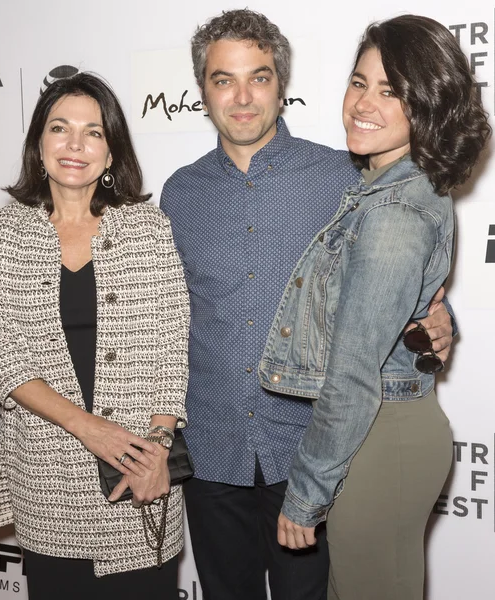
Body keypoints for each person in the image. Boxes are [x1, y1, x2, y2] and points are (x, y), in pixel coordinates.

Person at [160, 9, 455, 600]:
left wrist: (434, 324)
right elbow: (167, 320)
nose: (242, 97)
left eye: (259, 77)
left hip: (311, 454)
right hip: (214, 451)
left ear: (281, 83)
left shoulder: (342, 178)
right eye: (224, 79)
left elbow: (387, 292)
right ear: (202, 90)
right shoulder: (179, 193)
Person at [260, 15, 491, 600]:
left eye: (391, 91)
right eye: (359, 82)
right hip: (382, 435)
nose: (364, 102)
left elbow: (354, 375)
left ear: (428, 105)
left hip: (380, 438)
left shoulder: (393, 214)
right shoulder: (390, 187)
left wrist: (305, 494)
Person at [0, 72, 190, 599]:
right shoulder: (2, 233)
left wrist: (157, 452)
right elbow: (3, 355)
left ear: (111, 152)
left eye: (93, 132)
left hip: (139, 476)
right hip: (49, 477)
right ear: (38, 143)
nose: (75, 145)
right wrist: (93, 430)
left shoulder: (148, 229)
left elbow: (170, 351)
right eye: (59, 128)